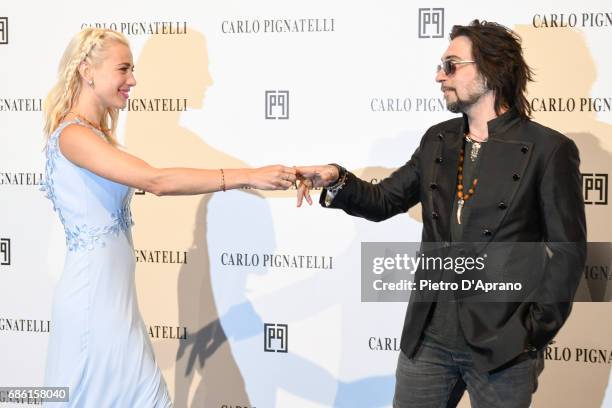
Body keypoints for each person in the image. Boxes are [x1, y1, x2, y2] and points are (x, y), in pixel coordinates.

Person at [295, 20, 586, 407]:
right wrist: (335, 178)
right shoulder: (439, 139)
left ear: (492, 68)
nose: (439, 76)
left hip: (503, 347)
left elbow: (567, 252)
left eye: (451, 65)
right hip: (428, 339)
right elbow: (384, 200)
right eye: (440, 66)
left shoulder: (548, 149)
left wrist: (531, 334)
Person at [41, 28, 296, 407]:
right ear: (86, 71)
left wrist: (294, 171)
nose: (133, 80)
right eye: (123, 69)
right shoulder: (74, 137)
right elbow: (157, 181)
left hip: (115, 303)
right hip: (94, 305)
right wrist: (248, 177)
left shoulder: (95, 136)